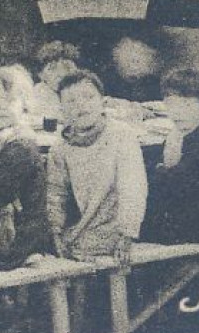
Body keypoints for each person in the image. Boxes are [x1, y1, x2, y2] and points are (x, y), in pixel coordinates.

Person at [46, 71, 147, 262]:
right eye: (71, 101)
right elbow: (55, 192)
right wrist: (55, 231)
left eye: (89, 97)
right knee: (56, 250)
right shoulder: (60, 147)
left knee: (80, 251)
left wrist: (127, 234)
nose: (81, 105)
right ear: (61, 110)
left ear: (103, 102)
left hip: (120, 226)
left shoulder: (121, 135)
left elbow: (133, 189)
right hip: (85, 225)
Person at [0, 73, 53, 270]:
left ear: (24, 104)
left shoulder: (21, 144)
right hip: (1, 226)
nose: (2, 106)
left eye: (10, 99)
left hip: (17, 238)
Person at [142, 68, 199, 244]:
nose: (178, 113)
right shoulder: (188, 133)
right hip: (192, 217)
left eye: (187, 105)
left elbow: (173, 186)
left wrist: (163, 167)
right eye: (171, 105)